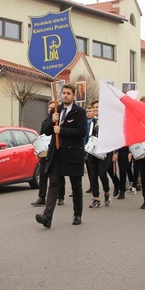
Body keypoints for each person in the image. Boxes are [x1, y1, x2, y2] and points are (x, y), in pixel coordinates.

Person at [35, 83, 87, 227]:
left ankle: (77, 214)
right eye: (63, 93)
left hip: (73, 154)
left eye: (68, 93)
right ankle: (47, 217)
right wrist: (52, 121)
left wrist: (62, 131)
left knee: (76, 186)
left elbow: (82, 132)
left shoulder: (79, 112)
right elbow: (45, 131)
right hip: (57, 153)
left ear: (73, 95)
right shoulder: (55, 111)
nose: (65, 95)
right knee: (54, 184)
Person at [31, 101, 64, 207]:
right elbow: (42, 135)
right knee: (43, 174)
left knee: (59, 175)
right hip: (45, 152)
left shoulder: (60, 120)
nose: (50, 109)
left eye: (53, 107)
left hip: (56, 152)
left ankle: (60, 196)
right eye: (49, 108)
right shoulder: (45, 121)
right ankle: (41, 197)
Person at [85, 100, 112, 208]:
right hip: (92, 151)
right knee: (93, 175)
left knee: (102, 173)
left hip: (104, 151)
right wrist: (85, 150)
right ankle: (96, 198)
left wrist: (114, 152)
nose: (96, 109)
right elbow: (85, 137)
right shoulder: (89, 122)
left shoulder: (107, 122)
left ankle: (106, 191)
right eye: (94, 107)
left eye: (98, 107)